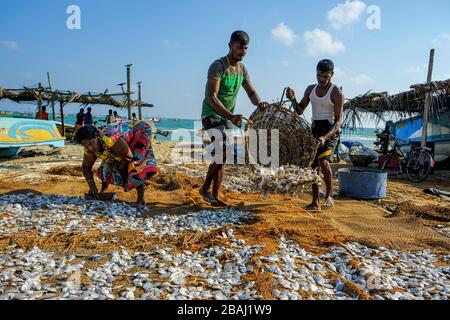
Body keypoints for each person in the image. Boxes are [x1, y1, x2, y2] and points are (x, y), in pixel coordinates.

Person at [199, 30, 268, 207]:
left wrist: (259, 103)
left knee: (223, 155)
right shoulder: (218, 66)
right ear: (230, 46)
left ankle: (215, 197)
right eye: (239, 48)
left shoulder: (242, 69)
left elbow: (251, 92)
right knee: (224, 148)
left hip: (227, 118)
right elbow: (211, 97)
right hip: (211, 114)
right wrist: (230, 115)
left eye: (246, 48)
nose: (243, 52)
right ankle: (205, 188)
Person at [286, 59, 344, 211]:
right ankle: (315, 202)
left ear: (332, 74)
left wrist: (325, 137)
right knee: (313, 166)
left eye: (325, 76)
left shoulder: (336, 93)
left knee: (323, 161)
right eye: (319, 75)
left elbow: (339, 122)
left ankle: (329, 195)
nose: (321, 79)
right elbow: (299, 111)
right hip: (315, 129)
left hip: (330, 130)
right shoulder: (310, 90)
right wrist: (292, 99)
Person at [75, 121, 158, 207]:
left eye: (91, 143)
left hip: (140, 130)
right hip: (118, 144)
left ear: (96, 137)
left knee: (135, 165)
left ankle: (141, 200)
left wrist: (122, 169)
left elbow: (128, 157)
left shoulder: (109, 137)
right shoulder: (89, 149)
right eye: (85, 146)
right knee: (106, 166)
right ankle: (103, 192)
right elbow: (86, 167)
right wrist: (92, 185)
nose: (90, 148)